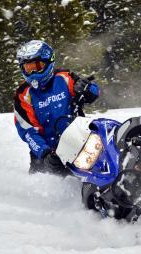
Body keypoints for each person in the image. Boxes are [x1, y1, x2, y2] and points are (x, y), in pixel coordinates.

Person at [13, 40, 99, 176]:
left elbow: (92, 93)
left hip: (78, 141)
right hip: (46, 155)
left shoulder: (64, 78)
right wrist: (44, 153)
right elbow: (28, 132)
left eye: (37, 66)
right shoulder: (23, 95)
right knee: (42, 191)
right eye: (28, 68)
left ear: (48, 62)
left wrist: (86, 88)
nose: (34, 72)